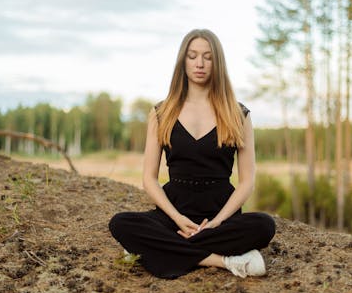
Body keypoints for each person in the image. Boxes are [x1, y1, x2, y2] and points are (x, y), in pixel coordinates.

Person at [109, 29, 275, 279]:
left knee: (264, 225)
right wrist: (177, 219)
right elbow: (149, 179)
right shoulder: (161, 112)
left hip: (220, 214)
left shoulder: (239, 114)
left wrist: (217, 222)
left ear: (217, 63)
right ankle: (225, 261)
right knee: (121, 223)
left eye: (208, 57)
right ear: (182, 61)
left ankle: (156, 250)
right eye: (193, 56)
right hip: (173, 212)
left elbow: (247, 181)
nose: (200, 63)